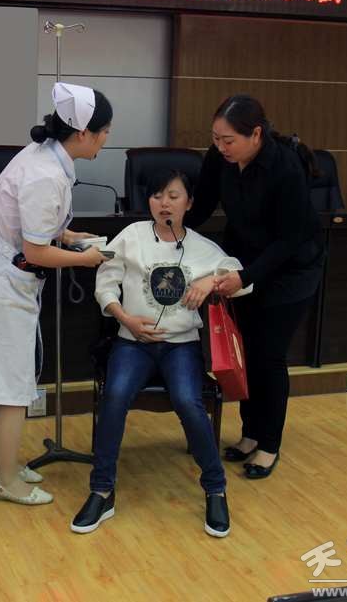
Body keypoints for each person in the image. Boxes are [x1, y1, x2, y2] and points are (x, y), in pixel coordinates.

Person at [0, 82, 112, 505]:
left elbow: (33, 223)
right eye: (104, 131)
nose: (106, 138)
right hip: (3, 283)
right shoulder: (45, 173)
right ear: (83, 133)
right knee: (9, 383)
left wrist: (68, 235)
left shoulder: (44, 156)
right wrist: (85, 259)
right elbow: (36, 250)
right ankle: (7, 480)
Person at [71, 170, 251, 537]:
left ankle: (215, 489)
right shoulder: (132, 236)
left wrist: (211, 280)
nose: (164, 203)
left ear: (189, 203)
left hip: (181, 346)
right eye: (156, 196)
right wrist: (124, 318)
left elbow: (239, 279)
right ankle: (101, 491)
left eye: (173, 196)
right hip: (132, 341)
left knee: (188, 401)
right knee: (115, 395)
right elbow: (105, 284)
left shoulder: (202, 246)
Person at [187, 94, 325, 480]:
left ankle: (269, 444)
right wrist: (170, 229)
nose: (221, 147)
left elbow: (288, 239)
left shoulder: (285, 167)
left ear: (256, 134)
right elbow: (203, 206)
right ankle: (250, 433)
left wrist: (246, 277)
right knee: (245, 352)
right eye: (216, 139)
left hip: (290, 269)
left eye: (228, 140)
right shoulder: (219, 158)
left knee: (269, 355)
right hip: (244, 260)